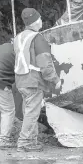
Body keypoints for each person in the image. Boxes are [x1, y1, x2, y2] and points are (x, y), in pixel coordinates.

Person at [14, 8, 61, 152]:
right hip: (33, 81)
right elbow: (45, 63)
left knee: (29, 111)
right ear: (34, 22)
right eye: (39, 18)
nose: (41, 21)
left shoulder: (19, 38)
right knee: (32, 113)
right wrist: (55, 80)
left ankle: (32, 141)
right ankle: (24, 142)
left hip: (21, 80)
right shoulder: (37, 38)